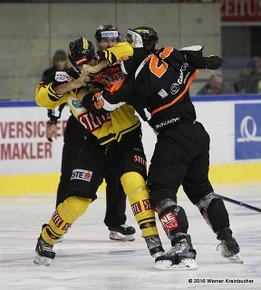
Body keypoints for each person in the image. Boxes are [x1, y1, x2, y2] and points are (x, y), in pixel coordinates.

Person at [82, 27, 243, 270]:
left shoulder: (131, 81)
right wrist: (207, 62)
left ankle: (181, 245)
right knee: (202, 192)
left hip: (173, 138)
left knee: (160, 193)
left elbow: (99, 104)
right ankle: (228, 241)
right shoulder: (169, 53)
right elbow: (200, 58)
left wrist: (84, 93)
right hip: (197, 134)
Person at [34, 37, 164, 266]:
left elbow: (128, 49)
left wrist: (97, 66)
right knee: (76, 201)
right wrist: (72, 85)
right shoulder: (71, 81)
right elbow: (41, 98)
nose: (84, 66)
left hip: (128, 138)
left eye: (88, 60)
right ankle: (46, 239)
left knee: (134, 183)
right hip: (96, 144)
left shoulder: (112, 65)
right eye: (80, 63)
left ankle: (154, 243)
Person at [44, 26, 136, 241]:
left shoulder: (117, 61)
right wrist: (53, 120)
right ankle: (59, 222)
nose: (110, 43)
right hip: (81, 125)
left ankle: (116, 222)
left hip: (110, 125)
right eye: (105, 41)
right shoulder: (80, 64)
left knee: (117, 175)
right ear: (97, 44)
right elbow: (59, 93)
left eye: (113, 39)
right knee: (69, 172)